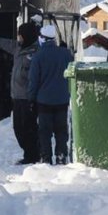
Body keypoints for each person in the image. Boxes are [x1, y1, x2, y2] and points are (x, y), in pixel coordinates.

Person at [0, 22, 41, 164]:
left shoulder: (37, 52)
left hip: (28, 98)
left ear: (27, 35)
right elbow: (4, 43)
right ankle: (30, 153)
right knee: (18, 128)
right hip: (16, 97)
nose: (19, 37)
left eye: (20, 35)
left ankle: (32, 156)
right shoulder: (17, 47)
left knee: (29, 128)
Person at [27, 25, 74, 164]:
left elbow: (33, 80)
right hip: (62, 99)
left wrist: (31, 99)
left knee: (45, 132)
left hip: (44, 101)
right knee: (61, 130)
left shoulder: (38, 57)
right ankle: (61, 155)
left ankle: (46, 157)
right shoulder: (66, 54)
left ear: (42, 38)